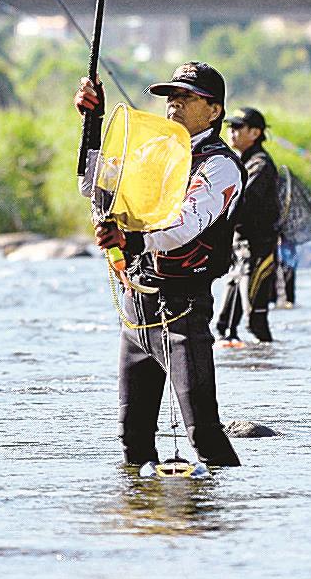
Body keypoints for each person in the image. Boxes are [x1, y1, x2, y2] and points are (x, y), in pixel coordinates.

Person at [75, 62, 245, 468]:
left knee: (203, 432)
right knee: (131, 439)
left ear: (215, 110)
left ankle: (223, 523)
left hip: (182, 310)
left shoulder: (220, 166)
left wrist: (130, 239)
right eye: (171, 97)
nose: (174, 104)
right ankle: (144, 522)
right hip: (137, 308)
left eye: (187, 97)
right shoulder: (152, 153)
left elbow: (184, 224)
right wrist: (92, 122)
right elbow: (92, 185)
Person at [215, 108, 280, 344]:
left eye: (238, 127)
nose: (231, 132)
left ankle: (270, 370)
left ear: (255, 132)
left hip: (259, 251)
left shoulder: (260, 165)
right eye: (229, 127)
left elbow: (241, 204)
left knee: (256, 323)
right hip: (239, 249)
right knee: (225, 326)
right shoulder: (241, 162)